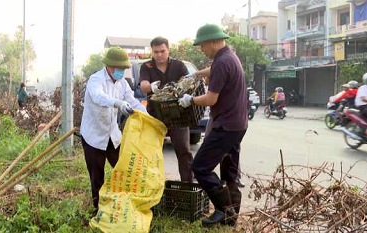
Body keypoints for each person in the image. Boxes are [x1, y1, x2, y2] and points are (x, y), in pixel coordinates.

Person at [178, 24, 247, 227]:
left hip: (225, 125)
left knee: (200, 167)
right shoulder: (229, 57)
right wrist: (196, 74)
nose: (201, 49)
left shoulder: (222, 62)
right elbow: (214, 70)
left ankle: (222, 209)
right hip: (238, 124)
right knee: (229, 171)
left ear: (214, 42)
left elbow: (210, 99)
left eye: (203, 45)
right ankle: (231, 218)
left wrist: (190, 99)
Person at [80, 47, 147, 217]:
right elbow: (98, 97)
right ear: (109, 66)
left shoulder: (122, 83)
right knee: (97, 175)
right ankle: (99, 209)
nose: (121, 72)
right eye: (119, 68)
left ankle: (124, 204)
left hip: (112, 135)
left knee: (123, 169)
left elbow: (132, 101)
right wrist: (118, 103)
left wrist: (147, 116)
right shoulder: (96, 80)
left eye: (124, 69)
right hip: (93, 136)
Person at [139, 36, 194, 182]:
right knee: (152, 152)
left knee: (184, 151)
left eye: (162, 51)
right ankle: (153, 185)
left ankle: (187, 185)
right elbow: (143, 85)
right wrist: (150, 87)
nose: (159, 55)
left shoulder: (179, 65)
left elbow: (190, 83)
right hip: (155, 115)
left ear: (168, 50)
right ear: (152, 51)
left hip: (179, 115)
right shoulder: (146, 66)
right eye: (156, 52)